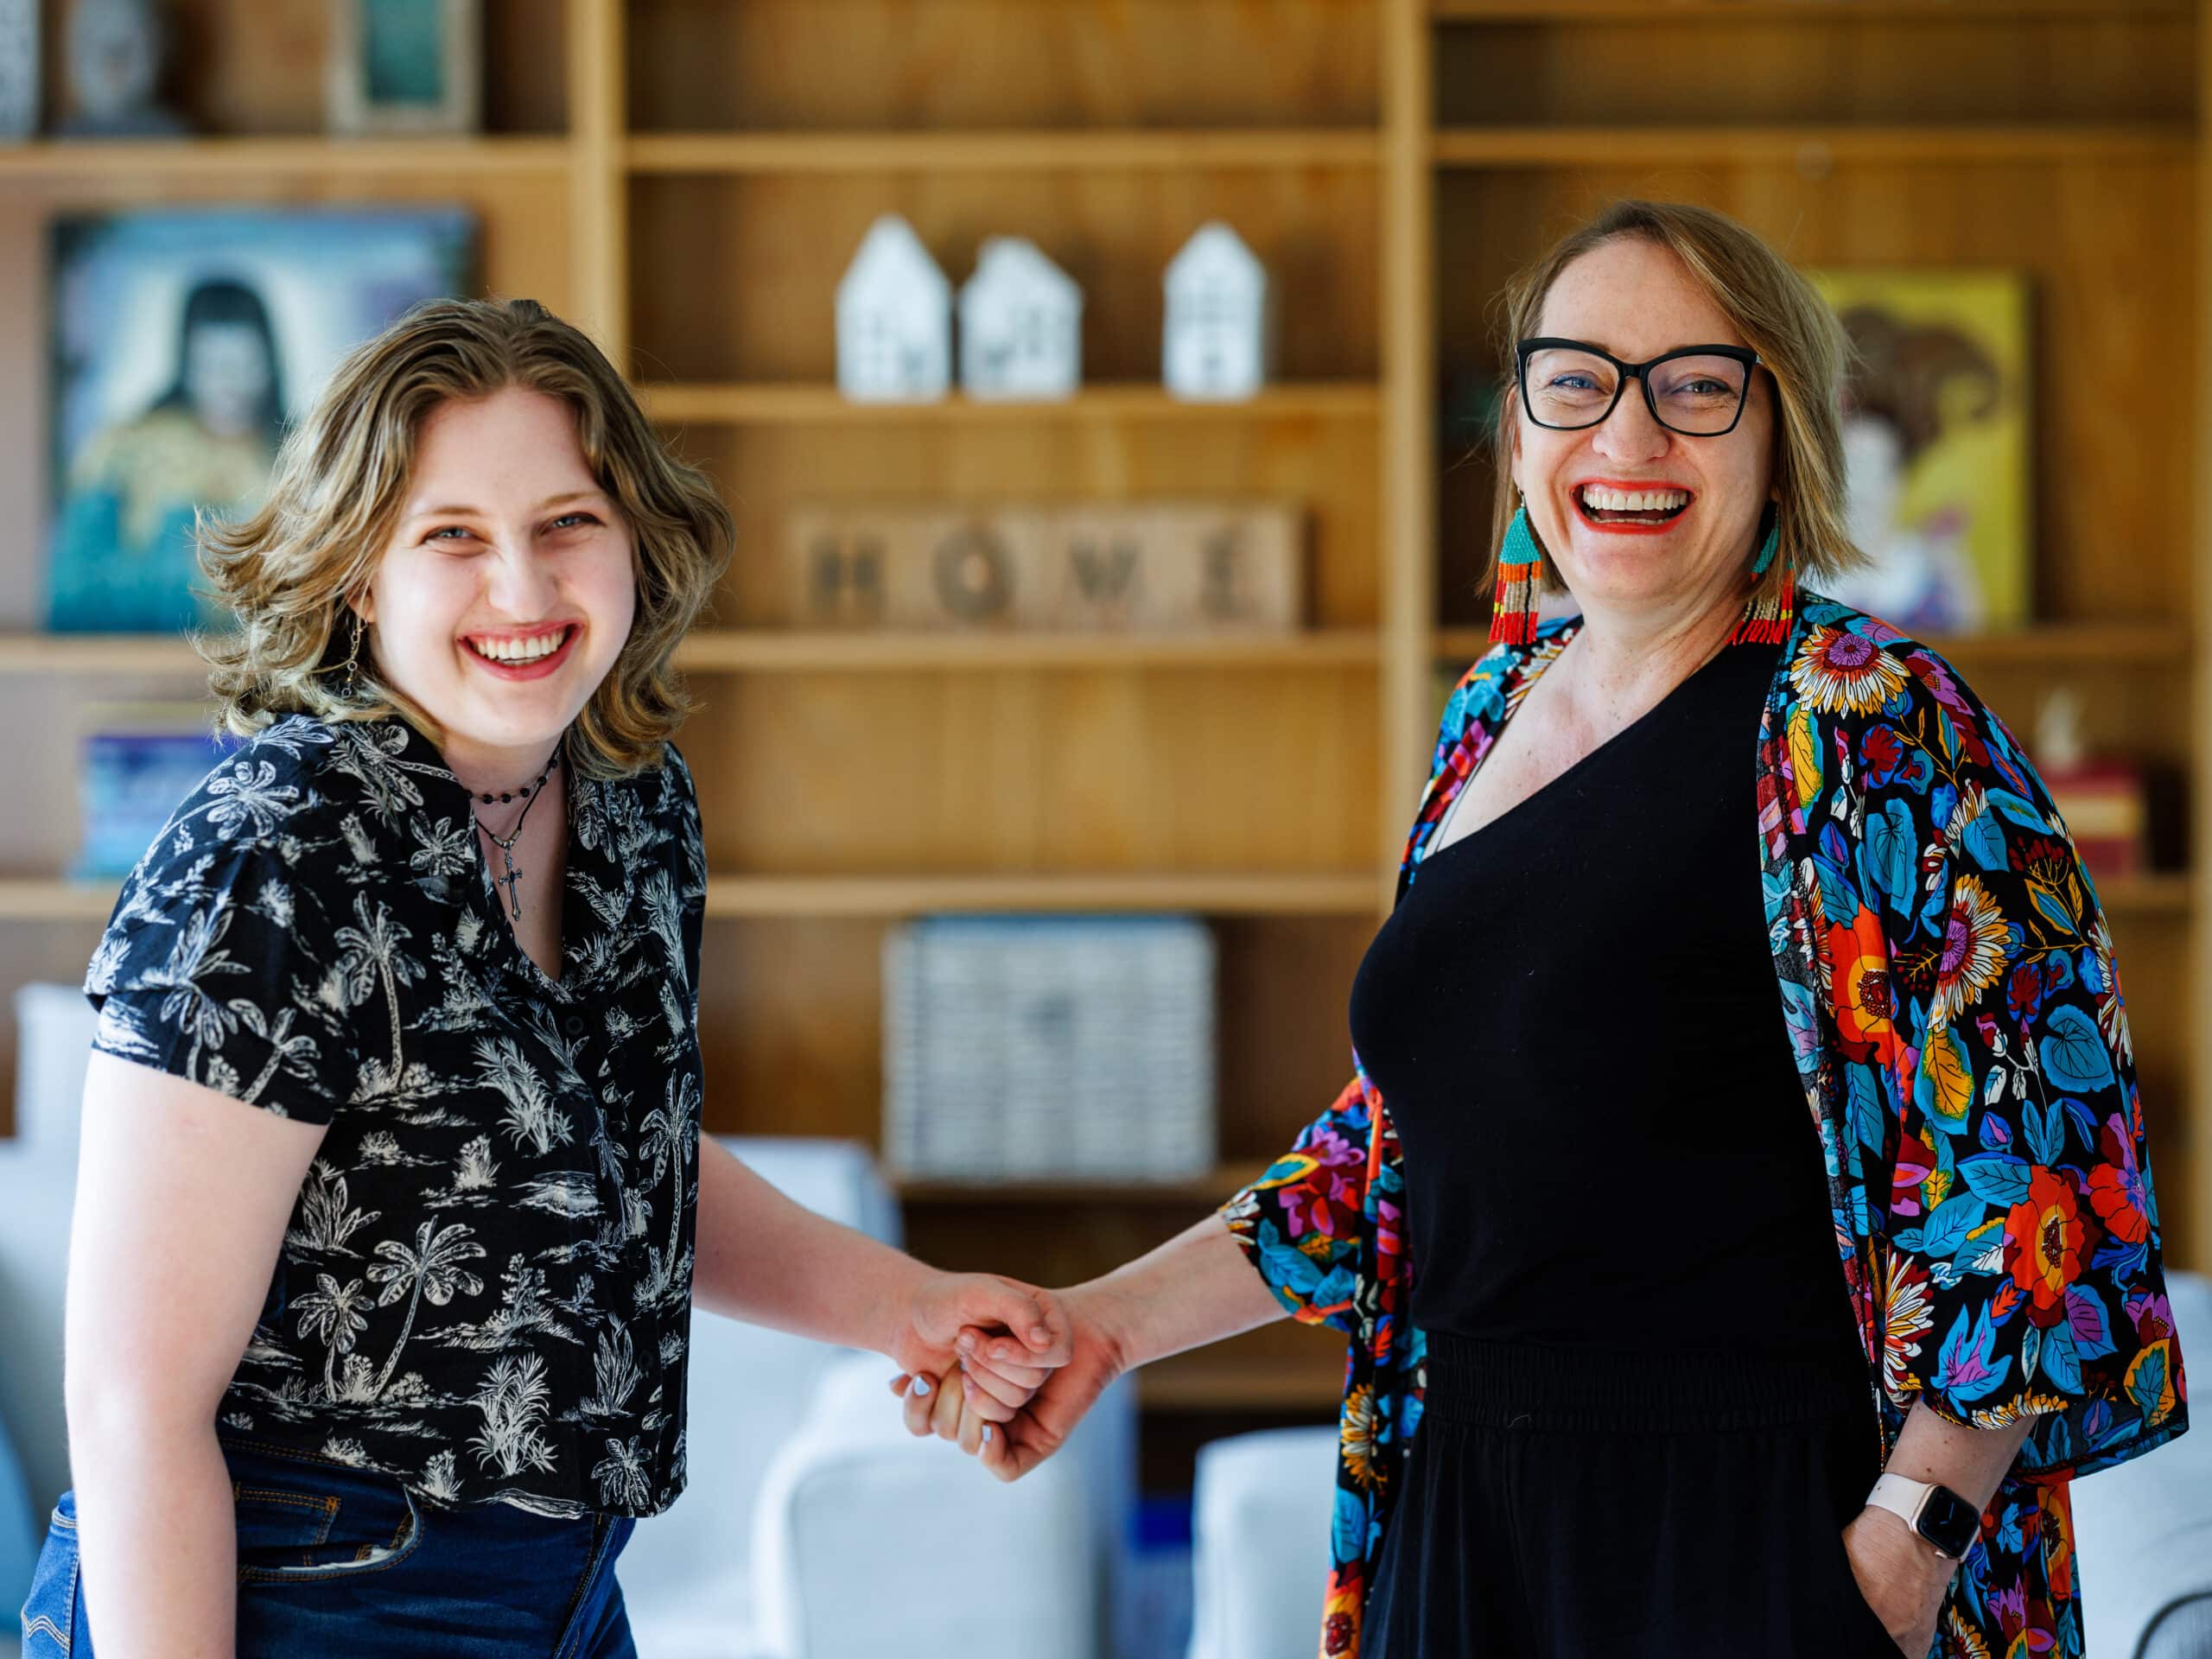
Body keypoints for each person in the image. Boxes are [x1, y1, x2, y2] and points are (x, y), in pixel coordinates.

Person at [912, 200, 2190, 1658]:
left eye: (1694, 387)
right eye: (1576, 382)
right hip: (1465, 1518)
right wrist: (1103, 1326)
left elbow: (2046, 1183)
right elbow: (1398, 1152)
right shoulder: (1489, 713)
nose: (1628, 441)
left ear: (1779, 432)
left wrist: (1902, 1553)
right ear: (1519, 438)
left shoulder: (1877, 725)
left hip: (1756, 1533)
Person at [19, 296, 1067, 1656]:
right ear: (356, 574)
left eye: (568, 523)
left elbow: (616, 1158)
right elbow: (130, 1405)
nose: (523, 591)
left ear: (636, 539)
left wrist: (900, 1307)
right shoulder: (275, 855)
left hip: (561, 1594)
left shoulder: (635, 806)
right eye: (452, 537)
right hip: (293, 1593)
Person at [48, 276, 288, 633]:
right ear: (186, 364)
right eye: (211, 365)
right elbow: (77, 587)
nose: (229, 383)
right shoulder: (124, 451)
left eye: (246, 364)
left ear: (269, 363)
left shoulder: (300, 453)